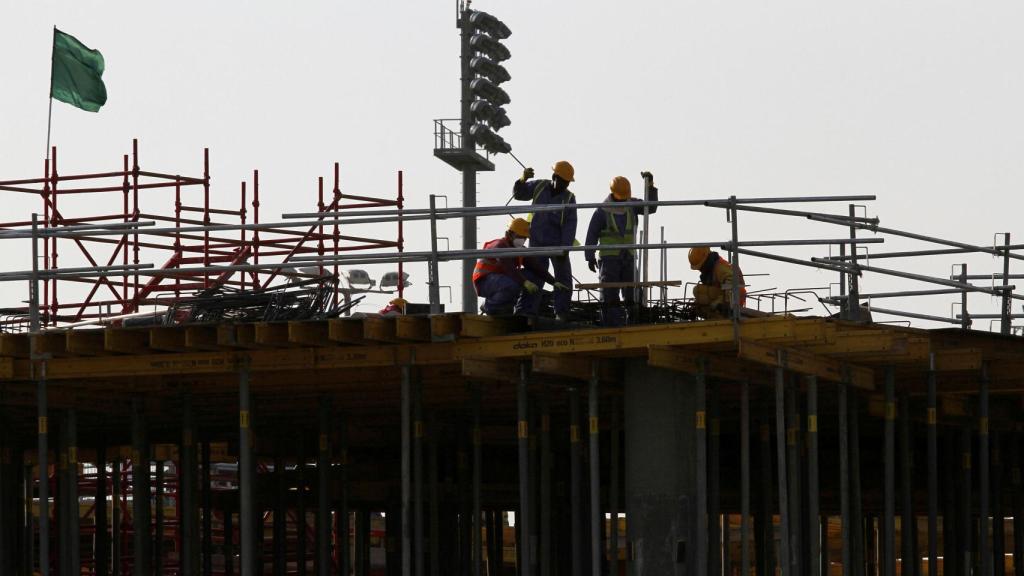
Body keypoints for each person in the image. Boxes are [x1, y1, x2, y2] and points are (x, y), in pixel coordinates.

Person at [584, 172, 658, 325]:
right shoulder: (602, 211)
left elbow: (650, 208)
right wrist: (589, 256)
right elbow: (592, 233)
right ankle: (612, 324)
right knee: (610, 295)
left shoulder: (631, 205)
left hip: (628, 257)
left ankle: (634, 321)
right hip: (609, 259)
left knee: (633, 292)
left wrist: (650, 186)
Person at [512, 161, 578, 319]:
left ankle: (561, 312)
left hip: (558, 244)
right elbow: (519, 194)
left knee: (563, 278)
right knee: (534, 277)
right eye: (563, 181)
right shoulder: (540, 186)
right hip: (537, 242)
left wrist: (565, 248)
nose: (565, 185)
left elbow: (570, 224)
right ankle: (525, 311)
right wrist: (523, 179)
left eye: (567, 182)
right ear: (554, 177)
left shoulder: (569, 198)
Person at [473, 218, 570, 315]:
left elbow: (535, 267)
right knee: (512, 284)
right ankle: (489, 306)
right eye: (520, 236)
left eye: (524, 238)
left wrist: (553, 282)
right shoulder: (499, 245)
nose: (522, 240)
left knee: (534, 276)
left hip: (503, 279)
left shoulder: (520, 250)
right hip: (485, 281)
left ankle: (523, 311)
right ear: (510, 234)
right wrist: (525, 282)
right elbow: (509, 269)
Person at [688, 246, 747, 319]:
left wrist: (720, 302)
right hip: (725, 296)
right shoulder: (712, 267)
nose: (700, 270)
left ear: (704, 261)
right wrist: (696, 304)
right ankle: (713, 316)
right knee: (698, 294)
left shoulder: (719, 267)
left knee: (697, 290)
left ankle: (717, 316)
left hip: (734, 298)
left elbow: (732, 283)